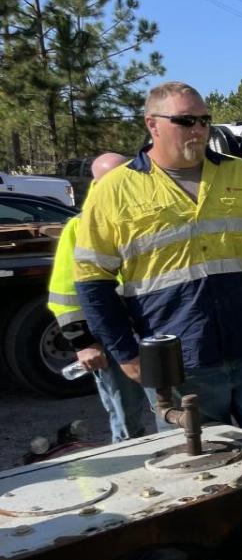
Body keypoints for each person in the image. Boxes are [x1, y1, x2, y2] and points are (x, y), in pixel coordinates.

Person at [75, 80, 242, 439]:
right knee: (206, 477)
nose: (198, 129)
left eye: (204, 120)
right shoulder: (114, 190)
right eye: (186, 121)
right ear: (152, 124)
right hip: (179, 366)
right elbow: (93, 281)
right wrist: (126, 353)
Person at [47, 153, 150, 443]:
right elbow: (65, 293)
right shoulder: (81, 226)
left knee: (175, 407)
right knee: (126, 415)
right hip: (112, 335)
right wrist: (83, 343)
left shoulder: (147, 215)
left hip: (155, 329)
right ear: (97, 183)